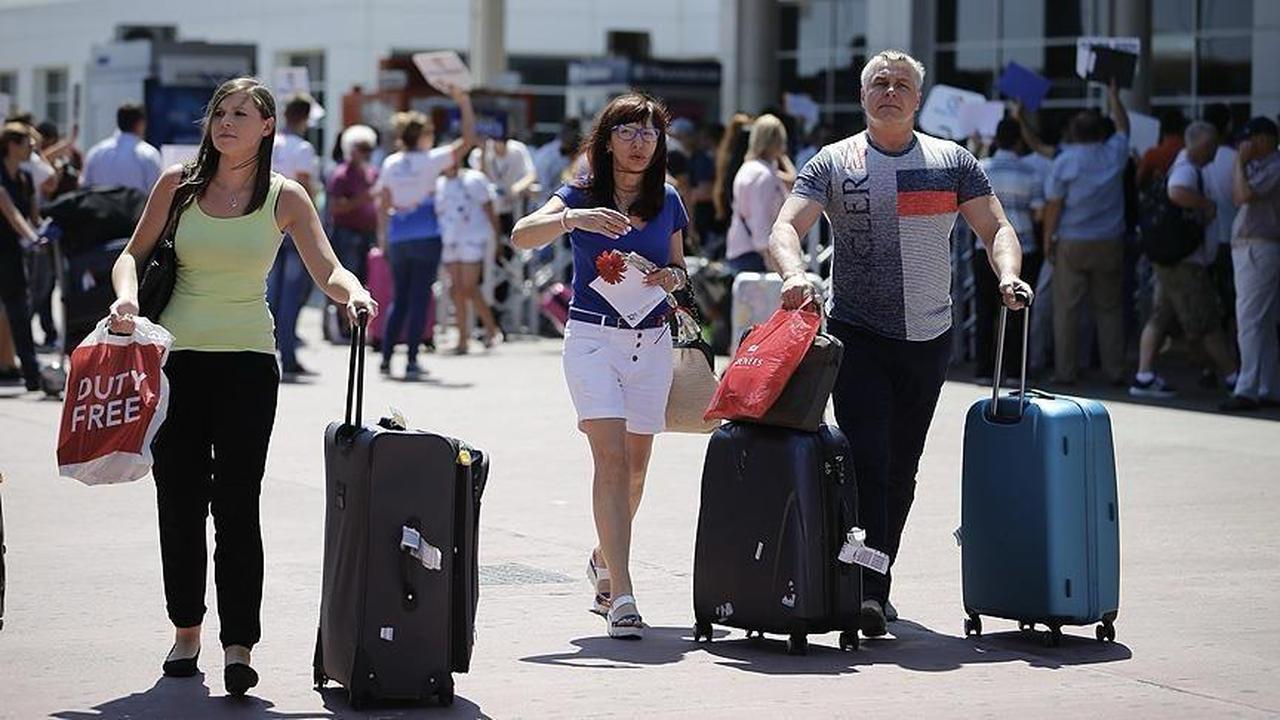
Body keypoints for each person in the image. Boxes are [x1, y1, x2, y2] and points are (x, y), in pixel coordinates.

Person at [105, 77, 377, 696]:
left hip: (249, 364)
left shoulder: (286, 197)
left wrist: (354, 293)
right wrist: (126, 300)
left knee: (235, 502)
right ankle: (186, 631)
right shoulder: (177, 185)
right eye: (220, 112)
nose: (226, 122)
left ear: (267, 128)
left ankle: (238, 645)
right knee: (177, 499)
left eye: (242, 114)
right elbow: (131, 254)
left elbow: (329, 268)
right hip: (173, 361)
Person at [769, 50, 1032, 637]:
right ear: (864, 98)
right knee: (867, 460)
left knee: (901, 469)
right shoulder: (835, 161)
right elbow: (786, 226)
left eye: (902, 84)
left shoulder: (951, 161)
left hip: (928, 337)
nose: (891, 91)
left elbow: (997, 229)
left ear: (918, 98)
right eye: (880, 83)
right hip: (858, 331)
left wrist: (1007, 274)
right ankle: (867, 588)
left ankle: (872, 575)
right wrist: (792, 273)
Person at [511, 93, 689, 639]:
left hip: (652, 340)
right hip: (592, 341)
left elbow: (681, 268)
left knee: (635, 472)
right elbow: (520, 236)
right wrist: (571, 218)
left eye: (649, 134)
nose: (639, 143)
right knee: (610, 463)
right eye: (628, 132)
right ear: (607, 139)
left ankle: (602, 556)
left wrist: (671, 280)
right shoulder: (580, 193)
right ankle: (622, 594)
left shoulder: (669, 199)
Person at [1130, 122, 1238, 398]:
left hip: (1172, 260)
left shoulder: (1181, 164)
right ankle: (1233, 377)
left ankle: (1143, 376)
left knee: (1160, 317)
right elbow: (1176, 192)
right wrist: (1206, 205)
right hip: (1184, 264)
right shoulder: (1187, 170)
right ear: (1201, 145)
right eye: (1212, 145)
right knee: (1206, 321)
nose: (1215, 151)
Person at [377, 89, 478, 379]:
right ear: (421, 136)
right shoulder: (431, 159)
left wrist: (382, 238)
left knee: (399, 298)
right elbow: (468, 140)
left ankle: (385, 358)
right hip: (426, 236)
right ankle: (411, 359)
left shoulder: (390, 162)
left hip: (398, 237)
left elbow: (384, 203)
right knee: (420, 298)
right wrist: (464, 103)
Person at [1043, 82, 1131, 386]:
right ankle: (1115, 370)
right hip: (1110, 241)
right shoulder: (1115, 153)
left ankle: (1066, 372)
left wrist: (1048, 242)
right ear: (1100, 133)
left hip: (1072, 241)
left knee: (1066, 310)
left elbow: (1053, 207)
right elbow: (1124, 127)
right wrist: (1114, 96)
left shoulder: (1065, 161)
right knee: (1109, 309)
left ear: (1073, 134)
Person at [974, 118, 1045, 385]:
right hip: (1023, 247)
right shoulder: (1031, 173)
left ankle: (983, 370)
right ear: (1019, 140)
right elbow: (1038, 212)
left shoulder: (981, 169)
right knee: (1020, 308)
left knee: (985, 310)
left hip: (983, 247)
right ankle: (1015, 372)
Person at [1222, 117, 1280, 411]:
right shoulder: (1260, 167)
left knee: (1249, 320)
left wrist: (1239, 163)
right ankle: (1268, 386)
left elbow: (1242, 194)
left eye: (1252, 139)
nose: (1247, 146)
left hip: (1259, 247)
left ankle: (1247, 388)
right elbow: (1237, 196)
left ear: (1266, 139)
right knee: (1264, 322)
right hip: (1254, 248)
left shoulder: (1274, 166)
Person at [267, 93, 321, 378]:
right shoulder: (302, 148)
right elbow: (306, 189)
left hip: (265, 223)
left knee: (270, 293)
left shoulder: (269, 143)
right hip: (292, 228)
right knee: (292, 295)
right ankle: (287, 355)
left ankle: (269, 351)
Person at [435, 161, 501, 353]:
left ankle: (491, 328)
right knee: (456, 289)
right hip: (450, 240)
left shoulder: (474, 179)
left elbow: (489, 209)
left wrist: (496, 238)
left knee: (469, 288)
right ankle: (463, 339)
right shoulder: (439, 183)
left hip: (473, 238)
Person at [0, 122, 46, 391]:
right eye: (27, 144)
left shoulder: (26, 179)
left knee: (19, 310)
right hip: (9, 248)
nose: (32, 149)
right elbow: (11, 212)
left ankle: (31, 373)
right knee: (16, 309)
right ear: (11, 146)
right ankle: (28, 370)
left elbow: (32, 217)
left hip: (12, 254)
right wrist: (32, 237)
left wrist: (43, 230)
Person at [726, 114, 794, 274]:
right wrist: (770, 257)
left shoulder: (748, 168)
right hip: (757, 255)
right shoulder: (765, 175)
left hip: (740, 248)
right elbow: (760, 217)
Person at [327, 124, 379, 285]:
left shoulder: (373, 172)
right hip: (347, 234)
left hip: (370, 234)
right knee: (348, 279)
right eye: (363, 149)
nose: (367, 154)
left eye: (370, 149)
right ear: (351, 149)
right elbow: (335, 208)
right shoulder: (341, 176)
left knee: (366, 279)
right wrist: (362, 199)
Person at [81, 103, 162, 193]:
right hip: (136, 206)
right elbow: (156, 192)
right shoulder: (148, 154)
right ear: (140, 124)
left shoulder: (95, 153)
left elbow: (85, 188)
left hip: (98, 206)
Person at [1136, 109, 1187, 188]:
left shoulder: (1152, 155)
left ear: (1161, 129)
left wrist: (1139, 165)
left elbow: (1138, 182)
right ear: (1183, 128)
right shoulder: (1189, 151)